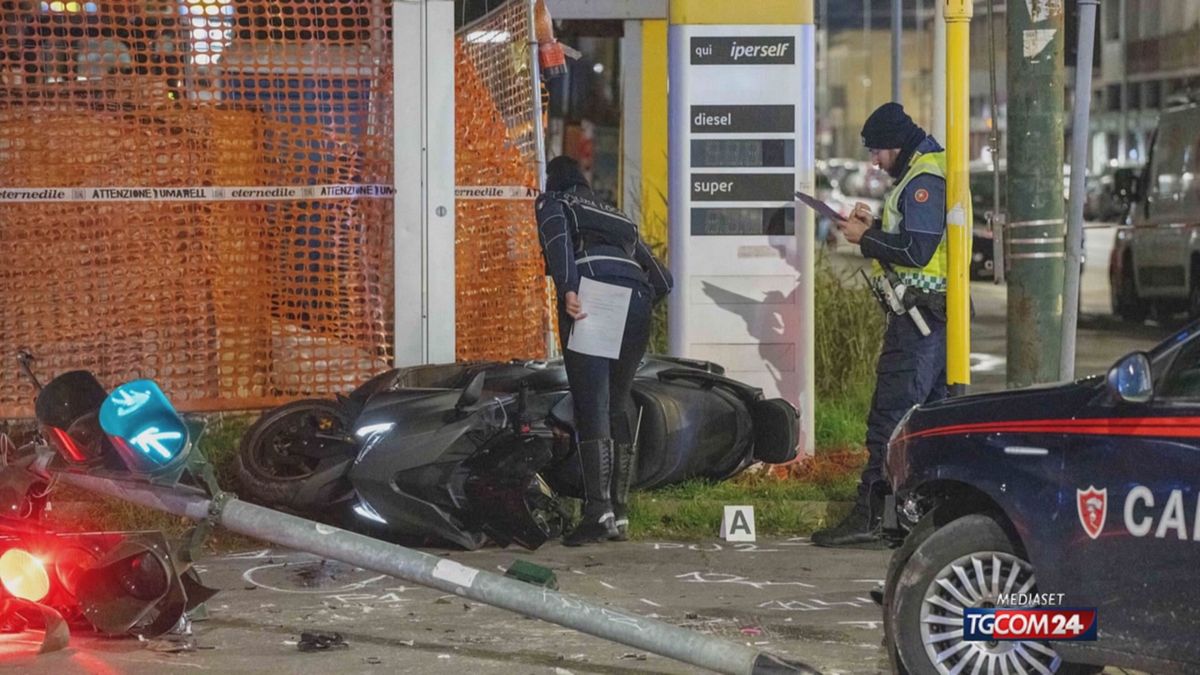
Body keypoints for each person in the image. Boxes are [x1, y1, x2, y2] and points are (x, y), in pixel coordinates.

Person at [812, 103, 954, 548]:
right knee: (927, 422)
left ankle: (870, 513)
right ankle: (917, 516)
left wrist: (865, 239)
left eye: (877, 151)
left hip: (920, 322)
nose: (874, 161)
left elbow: (917, 251)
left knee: (890, 418)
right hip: (933, 319)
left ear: (895, 143)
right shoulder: (923, 171)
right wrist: (872, 230)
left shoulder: (925, 179)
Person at [536, 156, 673, 546]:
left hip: (594, 296)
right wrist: (636, 304)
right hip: (639, 300)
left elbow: (558, 241)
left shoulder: (554, 202)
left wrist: (568, 289)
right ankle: (621, 510)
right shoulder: (618, 217)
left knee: (591, 402)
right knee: (617, 401)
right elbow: (663, 279)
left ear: (554, 181)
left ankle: (598, 513)